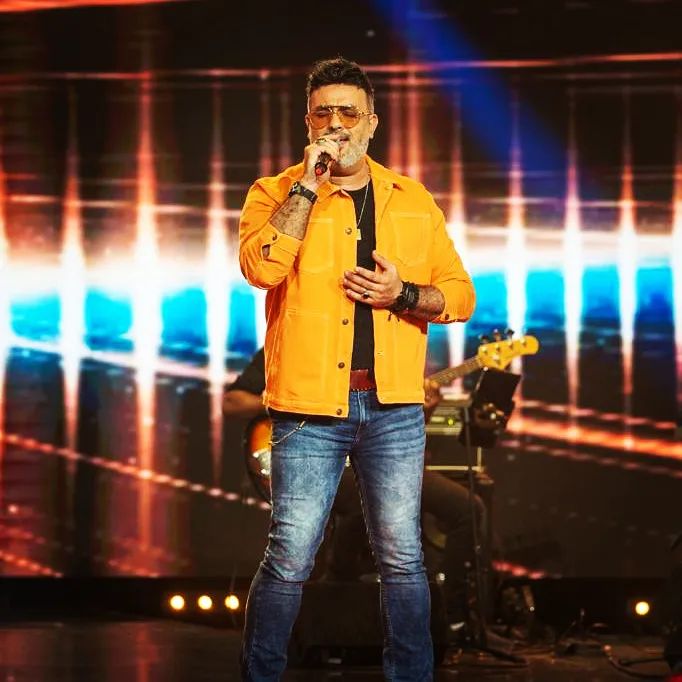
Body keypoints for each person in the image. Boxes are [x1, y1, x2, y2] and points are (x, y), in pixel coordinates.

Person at [238, 56, 475, 681]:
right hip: (307, 410)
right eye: (324, 113)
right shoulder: (274, 192)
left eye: (350, 112)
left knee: (403, 558)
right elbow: (261, 267)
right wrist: (308, 188)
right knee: (290, 556)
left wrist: (403, 294)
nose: (337, 124)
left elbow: (460, 295)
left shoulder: (412, 200)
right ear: (308, 123)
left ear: (373, 122)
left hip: (393, 408)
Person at [224, 350, 491, 634]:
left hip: (374, 458)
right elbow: (232, 403)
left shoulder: (386, 347)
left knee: (466, 507)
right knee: (360, 504)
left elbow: (396, 433)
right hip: (312, 457)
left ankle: (451, 617)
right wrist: (296, 401)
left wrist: (423, 409)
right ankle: (331, 605)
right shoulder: (293, 339)